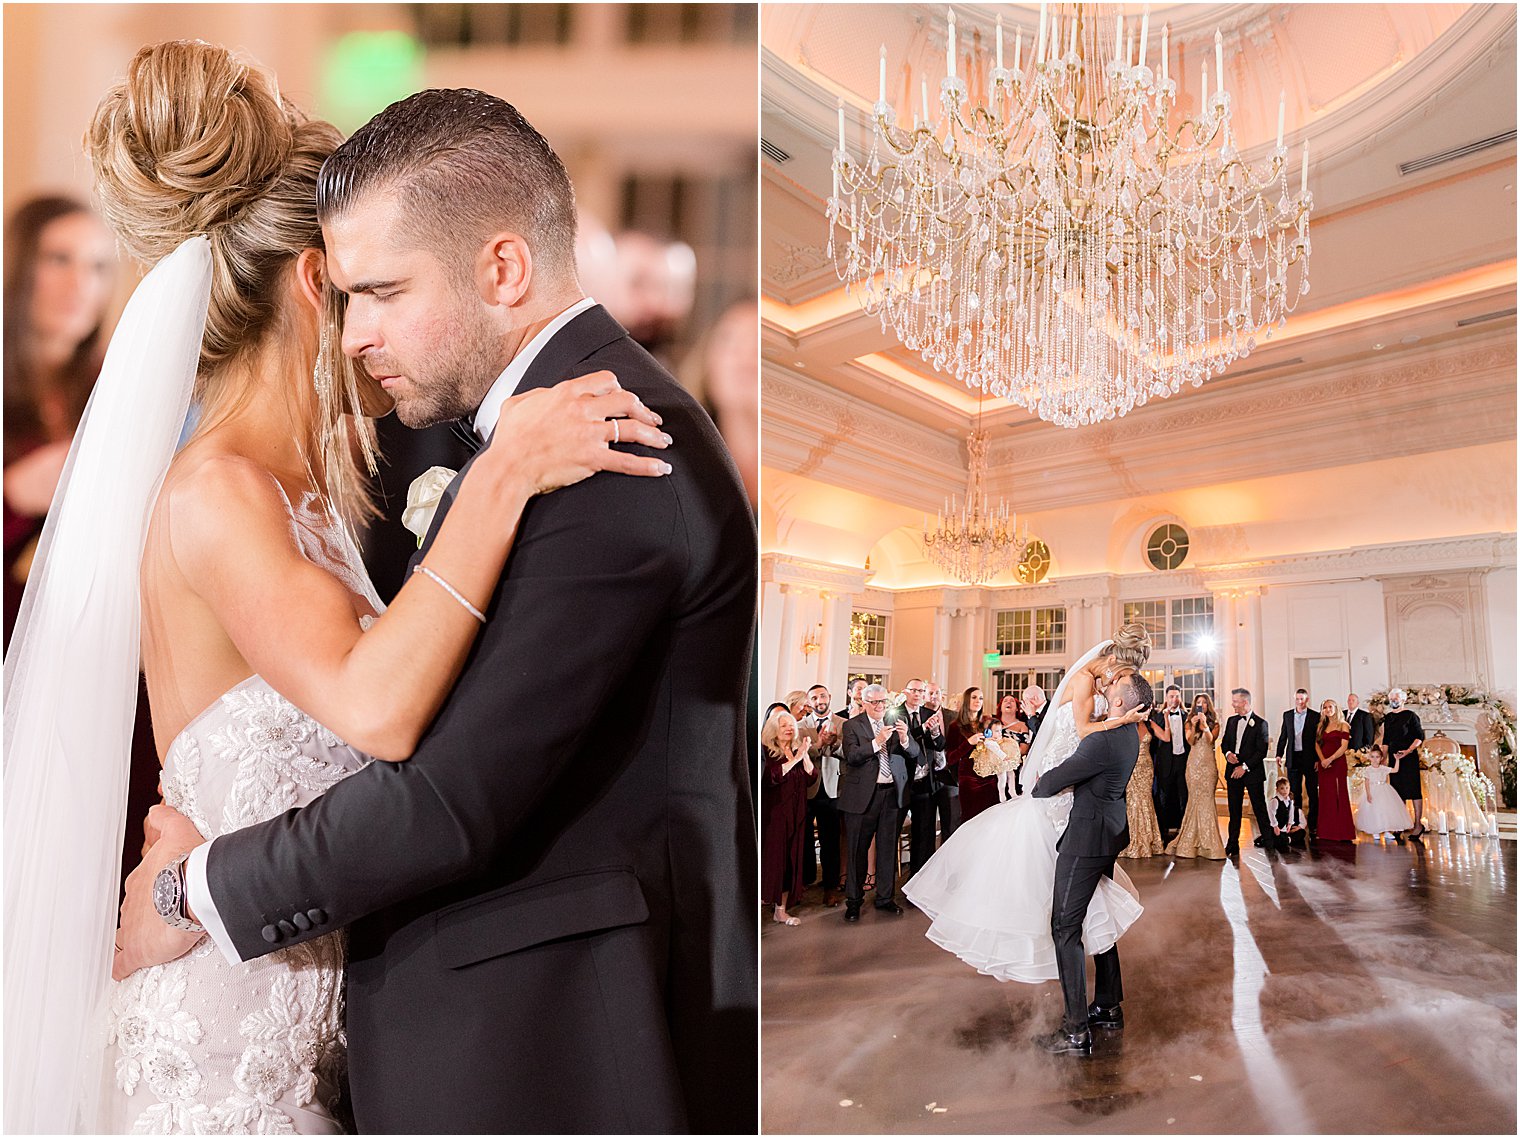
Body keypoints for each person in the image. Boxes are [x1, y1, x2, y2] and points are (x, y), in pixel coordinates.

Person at [103, 72, 756, 1134]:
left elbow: (444, 794)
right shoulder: (247, 487)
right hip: (260, 1037)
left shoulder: (600, 443)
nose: (358, 331)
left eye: (383, 292)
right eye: (349, 294)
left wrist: (194, 890)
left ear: (502, 263)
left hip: (535, 1037)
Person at [903, 625, 1153, 983]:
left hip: (1080, 781)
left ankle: (1092, 980)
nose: (1119, 681)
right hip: (1063, 776)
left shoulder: (1102, 683)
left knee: (1080, 887)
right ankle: (1062, 960)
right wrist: (1120, 719)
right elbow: (1082, 732)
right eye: (1121, 674)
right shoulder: (1084, 679)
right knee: (1057, 877)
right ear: (1112, 659)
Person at [3, 196, 116, 648]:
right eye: (59, 259)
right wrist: (11, 496)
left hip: (84, 636)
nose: (81, 284)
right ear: (18, 265)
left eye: (99, 267)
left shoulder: (113, 384)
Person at [1032, 671, 1153, 1057]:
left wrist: (1038, 782)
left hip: (1085, 840)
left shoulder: (1102, 740)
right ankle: (1108, 1005)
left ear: (1120, 700)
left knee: (1065, 926)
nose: (1108, 684)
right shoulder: (1127, 733)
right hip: (1109, 831)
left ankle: (1075, 1029)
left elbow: (1052, 783)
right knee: (1099, 914)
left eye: (1115, 683)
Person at [838, 683, 917, 920]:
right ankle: (853, 901)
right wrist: (876, 742)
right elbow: (852, 756)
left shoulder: (895, 723)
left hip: (890, 794)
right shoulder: (852, 725)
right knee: (857, 850)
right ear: (864, 703)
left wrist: (904, 739)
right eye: (875, 702)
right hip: (863, 796)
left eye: (884, 702)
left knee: (886, 848)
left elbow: (913, 753)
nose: (880, 706)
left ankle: (885, 898)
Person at [761, 712, 818, 926]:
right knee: (774, 860)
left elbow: (811, 777)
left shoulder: (796, 750)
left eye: (791, 725)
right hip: (775, 815)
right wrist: (795, 759)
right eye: (784, 725)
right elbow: (770, 778)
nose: (789, 729)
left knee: (791, 860)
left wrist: (803, 755)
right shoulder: (767, 751)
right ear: (774, 729)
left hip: (797, 813)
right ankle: (764, 900)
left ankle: (781, 910)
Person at [798, 684, 844, 906]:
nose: (819, 701)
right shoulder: (800, 726)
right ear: (810, 702)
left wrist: (834, 743)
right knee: (804, 839)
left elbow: (849, 753)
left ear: (830, 697)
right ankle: (805, 880)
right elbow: (800, 753)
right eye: (814, 698)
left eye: (823, 696)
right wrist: (818, 743)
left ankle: (830, 886)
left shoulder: (843, 724)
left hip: (832, 787)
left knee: (830, 840)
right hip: (807, 788)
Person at [1164, 694, 1226, 860]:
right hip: (1193, 766)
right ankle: (1190, 842)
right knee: (1194, 799)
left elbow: (1210, 740)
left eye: (1204, 703)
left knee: (1207, 800)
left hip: (1208, 766)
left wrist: (1205, 725)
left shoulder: (1215, 723)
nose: (1201, 705)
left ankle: (1209, 845)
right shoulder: (1189, 721)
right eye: (1198, 703)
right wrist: (1192, 726)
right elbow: (1190, 741)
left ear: (1208, 706)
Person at [901, 677, 950, 879]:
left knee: (925, 834)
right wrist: (923, 729)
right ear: (905, 692)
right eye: (915, 690)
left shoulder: (928, 714)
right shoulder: (895, 713)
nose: (919, 695)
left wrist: (936, 731)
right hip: (902, 783)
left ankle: (920, 879)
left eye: (922, 691)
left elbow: (938, 745)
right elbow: (903, 741)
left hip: (925, 782)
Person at [1220, 688, 1275, 857]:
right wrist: (1228, 754)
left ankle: (1270, 842)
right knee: (1234, 810)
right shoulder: (1231, 721)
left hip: (1252, 773)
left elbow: (1261, 751)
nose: (1232, 704)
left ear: (1245, 702)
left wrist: (1244, 767)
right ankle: (1232, 844)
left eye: (1235, 701)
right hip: (1233, 772)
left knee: (1259, 808)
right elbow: (1224, 743)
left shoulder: (1261, 724)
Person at [1118, 701, 1163, 858]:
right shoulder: (1127, 725)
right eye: (1147, 709)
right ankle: (1133, 841)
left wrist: (1168, 719)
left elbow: (1166, 737)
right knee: (1133, 801)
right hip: (1131, 766)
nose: (1149, 712)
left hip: (1147, 767)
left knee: (1145, 800)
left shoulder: (1150, 724)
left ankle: (1149, 841)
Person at [1382, 688, 1427, 839]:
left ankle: (1418, 824)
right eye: (1392, 699)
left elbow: (1419, 737)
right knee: (1397, 791)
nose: (1394, 701)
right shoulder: (1388, 717)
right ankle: (1400, 824)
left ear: (1403, 700)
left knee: (1413, 790)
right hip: (1394, 759)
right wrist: (1383, 757)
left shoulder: (1411, 715)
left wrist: (1407, 751)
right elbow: (1386, 740)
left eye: (1396, 698)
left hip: (1408, 758)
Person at [1278, 688, 1322, 838]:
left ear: (1307, 700)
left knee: (1312, 792)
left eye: (1302, 699)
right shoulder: (1287, 715)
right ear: (1294, 699)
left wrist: (1318, 758)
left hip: (1310, 758)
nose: (1300, 701)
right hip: (1293, 757)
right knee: (1294, 793)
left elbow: (1319, 739)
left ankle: (1314, 825)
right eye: (1297, 699)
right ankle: (1295, 822)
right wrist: (1279, 753)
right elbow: (1283, 735)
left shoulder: (1315, 716)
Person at [953, 687, 1000, 821]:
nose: (978, 701)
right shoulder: (955, 726)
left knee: (990, 820)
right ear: (966, 700)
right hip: (969, 781)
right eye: (974, 697)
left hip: (989, 779)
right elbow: (950, 758)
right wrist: (968, 742)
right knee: (971, 820)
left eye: (980, 698)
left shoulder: (987, 723)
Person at [1149, 684, 1190, 835]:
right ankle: (1163, 831)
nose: (1175, 699)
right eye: (1172, 696)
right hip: (1165, 762)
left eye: (1177, 696)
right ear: (1166, 698)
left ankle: (1184, 830)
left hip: (1183, 761)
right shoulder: (1157, 717)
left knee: (1184, 796)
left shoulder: (1187, 717)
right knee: (1164, 796)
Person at [1315, 700, 1357, 841]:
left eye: (1330, 707)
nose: (1327, 709)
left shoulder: (1343, 725)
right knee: (1326, 795)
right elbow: (1316, 745)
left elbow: (1344, 747)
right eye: (1325, 707)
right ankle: (1326, 831)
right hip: (1324, 765)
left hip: (1337, 763)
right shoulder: (1321, 725)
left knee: (1339, 794)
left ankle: (1342, 832)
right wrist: (1322, 760)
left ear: (1336, 708)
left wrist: (1330, 759)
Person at [1354, 746, 1410, 842]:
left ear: (1381, 758)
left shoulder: (1383, 768)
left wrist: (1397, 760)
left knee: (1385, 810)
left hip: (1384, 790)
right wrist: (1368, 794)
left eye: (1377, 757)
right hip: (1373, 790)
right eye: (1373, 757)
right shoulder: (1368, 769)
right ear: (1369, 757)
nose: (1375, 759)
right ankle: (1375, 831)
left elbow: (1395, 770)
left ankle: (1387, 831)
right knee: (1374, 811)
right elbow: (1366, 782)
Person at [995, 692, 1032, 797]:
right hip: (994, 766)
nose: (1008, 703)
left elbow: (1024, 748)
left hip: (1014, 766)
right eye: (1005, 701)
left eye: (1012, 701)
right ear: (1000, 707)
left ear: (1017, 708)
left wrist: (1008, 757)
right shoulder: (992, 723)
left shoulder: (1023, 725)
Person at [1270, 778, 1308, 849]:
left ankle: (1287, 840)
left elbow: (1291, 814)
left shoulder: (1290, 801)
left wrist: (1290, 824)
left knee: (1301, 833)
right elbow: (1271, 814)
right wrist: (1275, 826)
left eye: (1286, 788)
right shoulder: (1275, 801)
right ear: (1277, 789)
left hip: (1285, 828)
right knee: (1276, 839)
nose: (1285, 791)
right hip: (1277, 827)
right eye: (1282, 788)